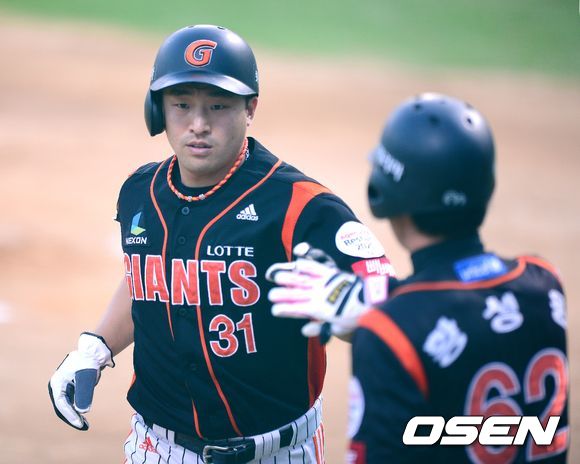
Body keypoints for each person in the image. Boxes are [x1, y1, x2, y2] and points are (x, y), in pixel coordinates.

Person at [48, 24, 392, 464]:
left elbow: (388, 301)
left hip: (278, 452)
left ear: (250, 108)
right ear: (157, 110)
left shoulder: (300, 204)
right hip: (158, 447)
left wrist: (354, 315)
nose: (198, 124)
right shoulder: (140, 192)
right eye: (182, 105)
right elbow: (149, 276)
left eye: (218, 106)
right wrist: (95, 347)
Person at [266, 93, 569, 463]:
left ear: (384, 193)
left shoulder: (387, 334)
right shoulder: (543, 282)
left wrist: (381, 316)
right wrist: (379, 299)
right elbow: (459, 299)